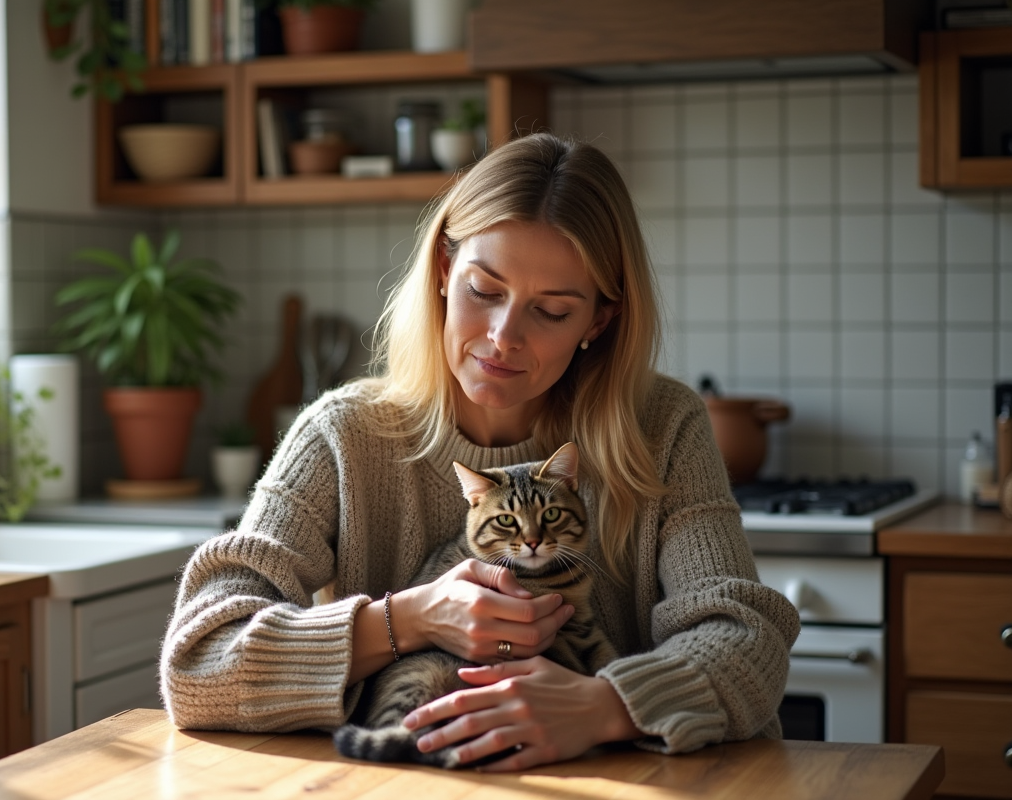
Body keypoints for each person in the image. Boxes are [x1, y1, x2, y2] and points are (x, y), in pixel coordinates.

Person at [161, 132, 801, 771]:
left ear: (597, 324)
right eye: (484, 291)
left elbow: (748, 641)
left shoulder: (663, 427)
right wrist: (409, 619)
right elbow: (200, 661)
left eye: (550, 312)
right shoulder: (339, 436)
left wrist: (603, 706)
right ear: (443, 272)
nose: (502, 339)